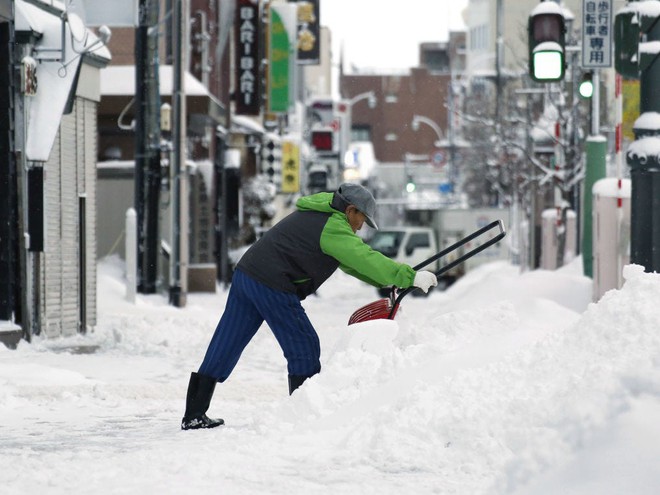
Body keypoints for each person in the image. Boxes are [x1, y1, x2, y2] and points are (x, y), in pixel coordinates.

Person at [181, 183, 437, 430]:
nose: (361, 228)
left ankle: (194, 413)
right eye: (363, 220)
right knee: (303, 344)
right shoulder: (333, 226)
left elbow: (351, 263)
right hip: (272, 282)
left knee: (228, 340)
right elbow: (363, 257)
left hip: (247, 274)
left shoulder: (321, 215)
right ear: (351, 211)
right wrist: (409, 276)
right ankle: (304, 416)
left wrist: (389, 282)